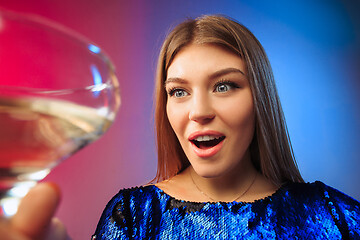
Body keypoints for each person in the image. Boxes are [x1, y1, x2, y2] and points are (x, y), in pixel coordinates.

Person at [2, 14, 359, 240]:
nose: (199, 111)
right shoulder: (134, 216)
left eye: (224, 86)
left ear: (260, 99)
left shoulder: (334, 215)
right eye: (179, 91)